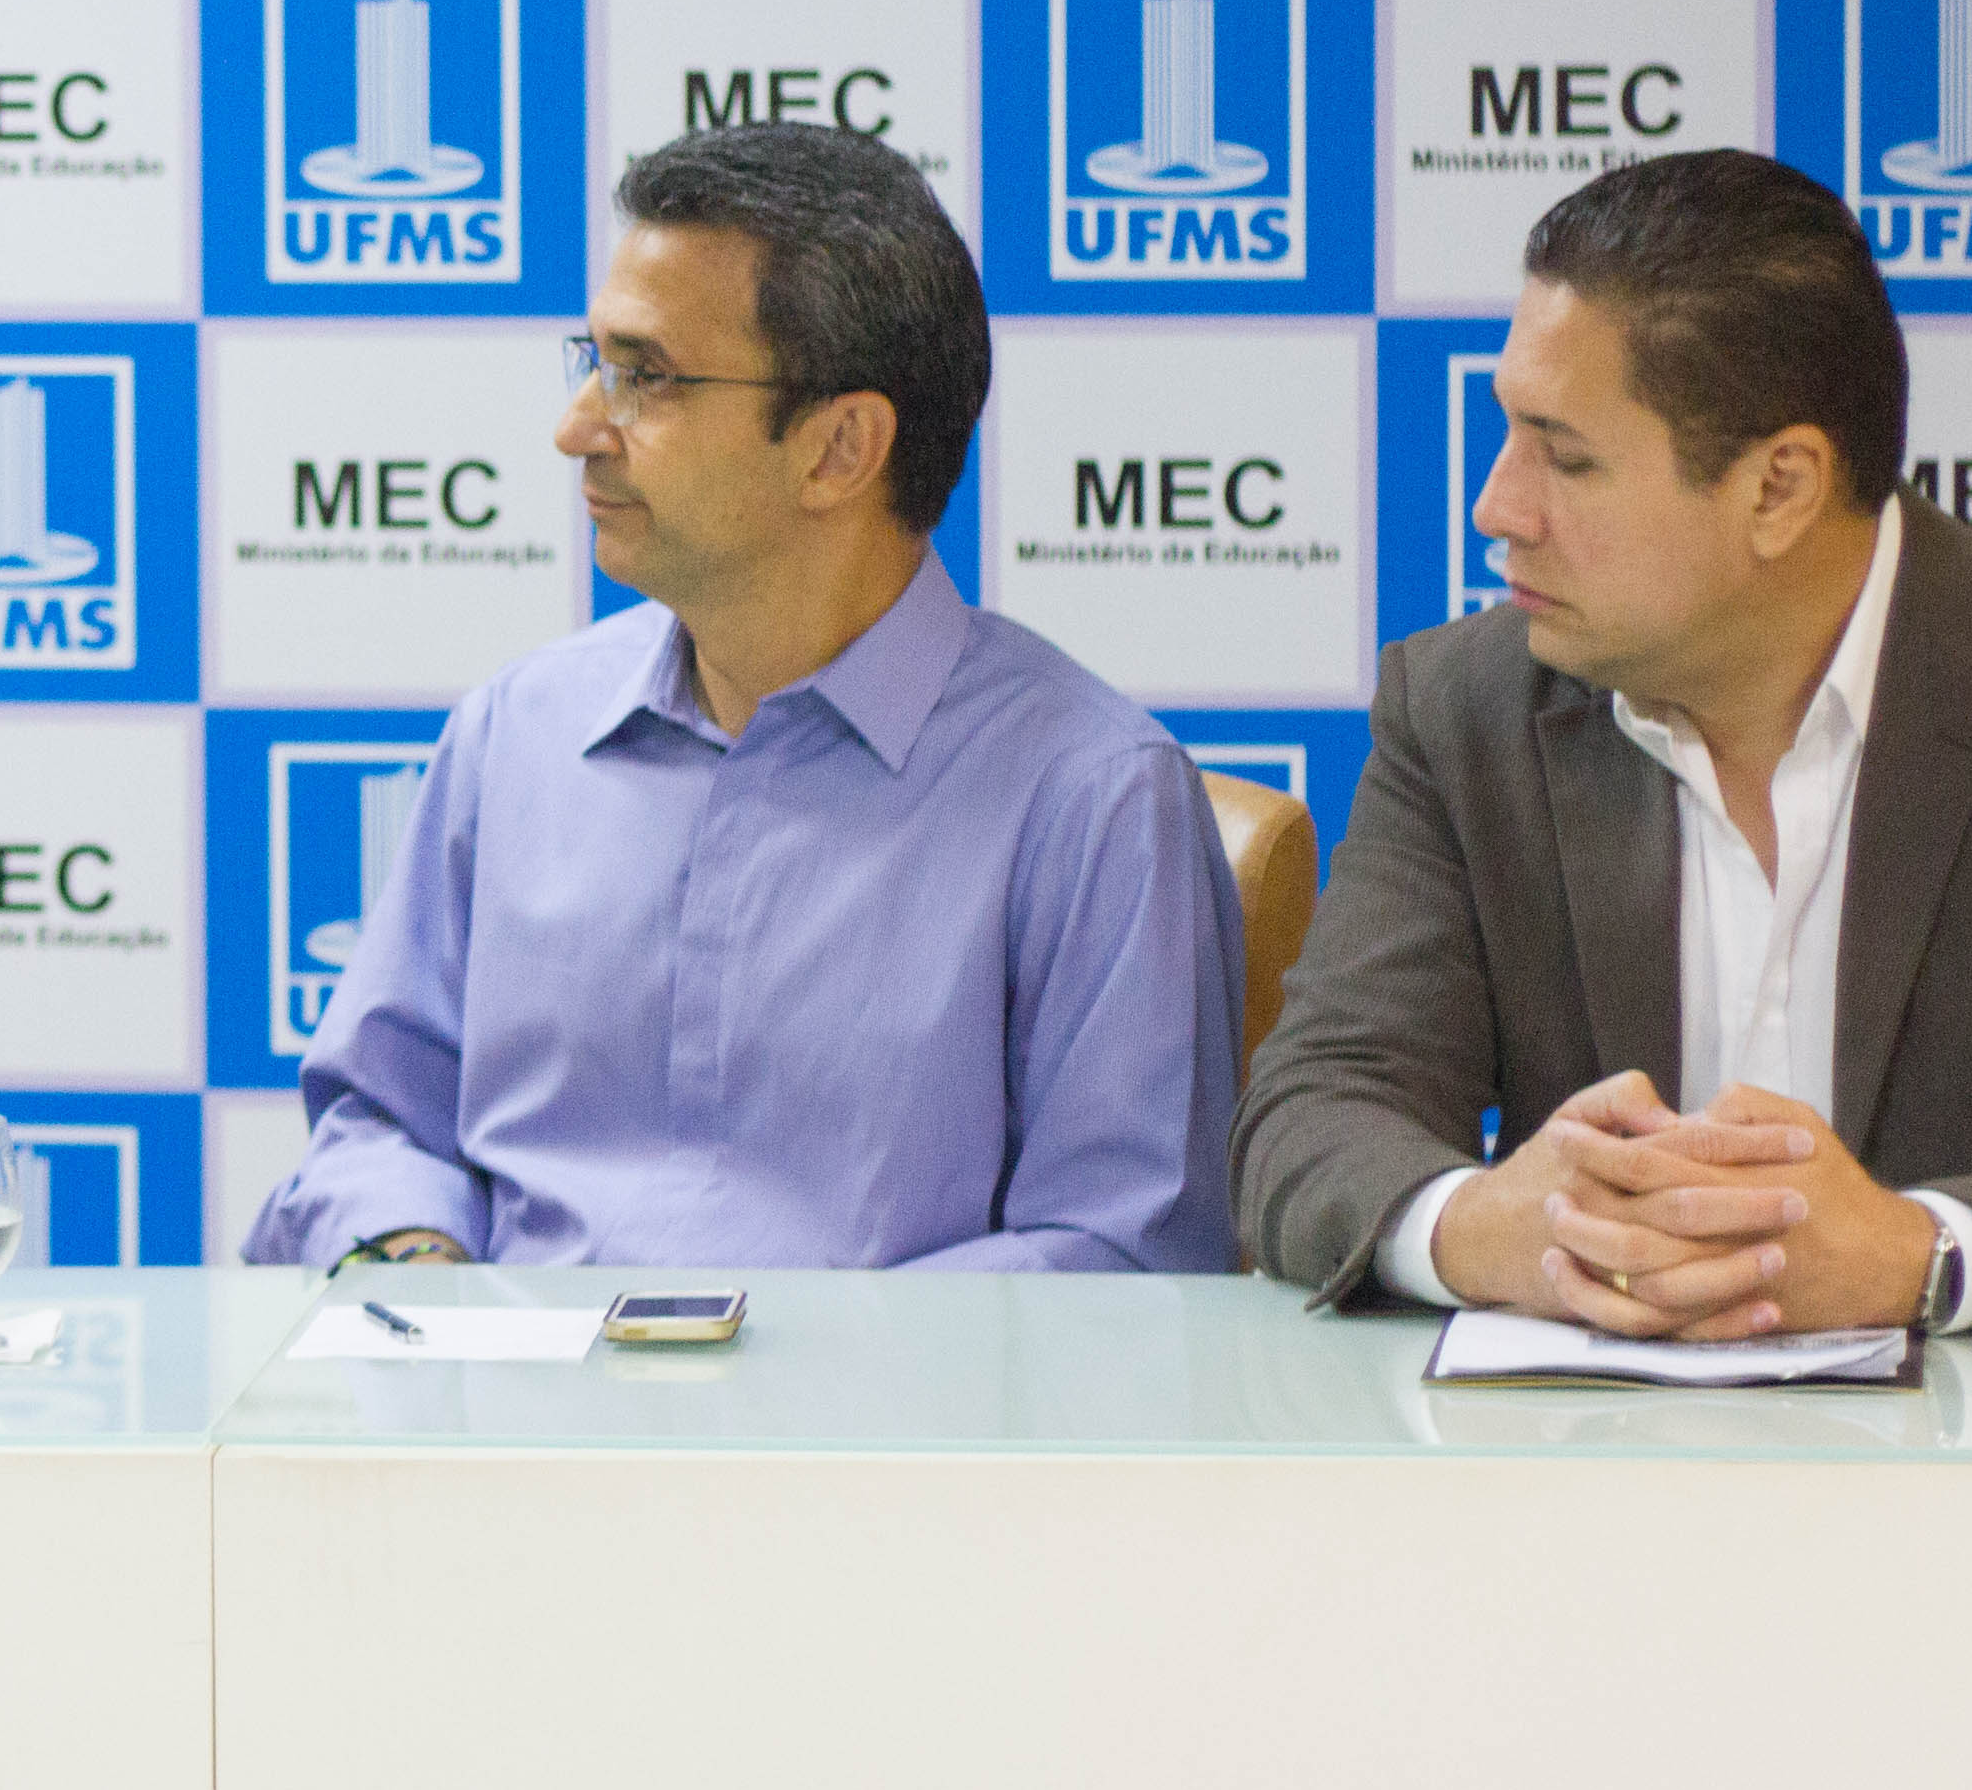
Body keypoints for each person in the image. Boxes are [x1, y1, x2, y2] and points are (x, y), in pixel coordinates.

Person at [1238, 150, 1972, 1335]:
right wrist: (1487, 1227)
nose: (1498, 506)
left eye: (1568, 457)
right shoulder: (1460, 709)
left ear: (1779, 489)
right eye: (1509, 434)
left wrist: (1919, 1255)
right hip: (1582, 1437)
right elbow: (1316, 1107)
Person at [241, 123, 1244, 1275]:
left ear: (840, 448)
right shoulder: (515, 733)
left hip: (877, 1397)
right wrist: (421, 1265)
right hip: (502, 1380)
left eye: (646, 378)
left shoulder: (1093, 799)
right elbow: (378, 1118)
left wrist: (772, 1368)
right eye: (592, 362)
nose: (577, 428)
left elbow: (1120, 1259)